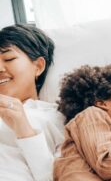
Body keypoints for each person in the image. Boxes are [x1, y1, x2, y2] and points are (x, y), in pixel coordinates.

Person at [0, 24, 65, 181]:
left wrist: (24, 130)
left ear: (38, 66)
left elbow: (53, 178)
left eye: (9, 58)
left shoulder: (56, 117)